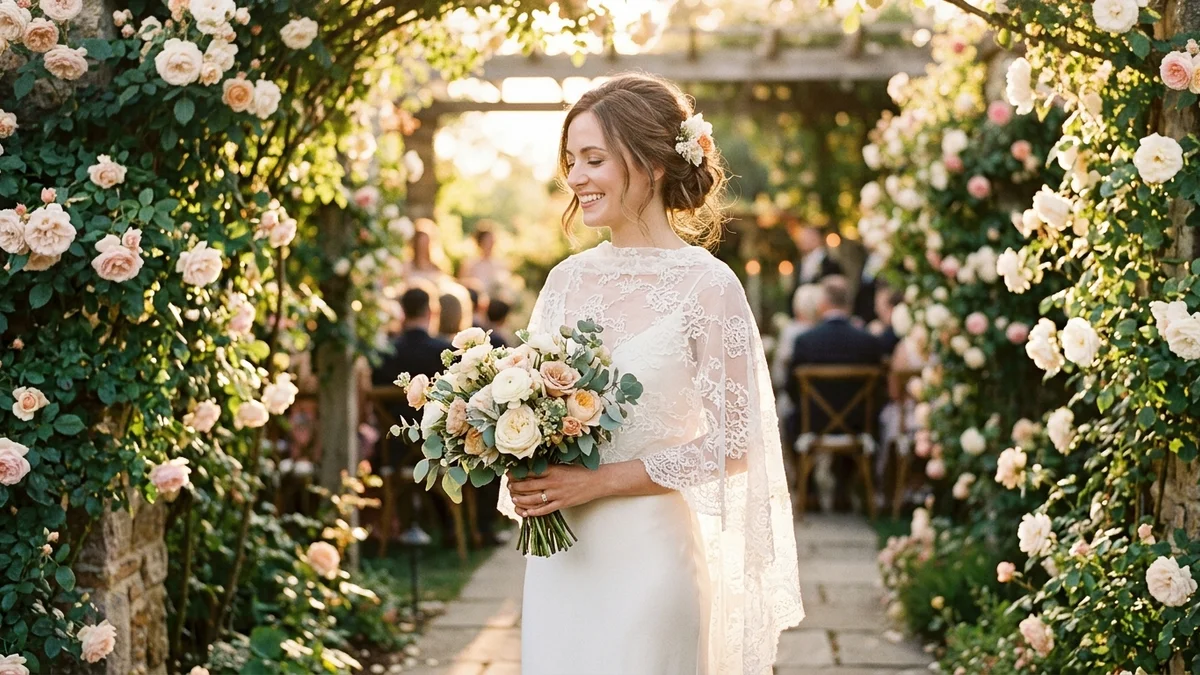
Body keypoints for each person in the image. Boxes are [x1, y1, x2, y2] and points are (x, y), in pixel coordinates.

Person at [500, 73, 803, 675]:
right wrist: (510, 450)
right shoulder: (566, 280)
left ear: (654, 164)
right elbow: (529, 403)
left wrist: (602, 481)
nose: (576, 178)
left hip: (650, 558)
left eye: (594, 159)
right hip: (562, 561)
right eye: (571, 161)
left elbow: (735, 446)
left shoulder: (708, 285)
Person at [786, 275, 887, 513]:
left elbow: (792, 390)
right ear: (848, 305)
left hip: (814, 424)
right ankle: (844, 487)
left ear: (823, 304)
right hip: (858, 425)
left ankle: (808, 491)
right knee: (873, 417)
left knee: (790, 419)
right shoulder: (868, 342)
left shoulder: (805, 342)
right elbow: (880, 391)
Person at [459, 221, 514, 299]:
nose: (490, 245)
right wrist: (472, 283)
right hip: (476, 298)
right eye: (487, 241)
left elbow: (506, 285)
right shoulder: (470, 262)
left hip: (495, 300)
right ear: (480, 243)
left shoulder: (501, 264)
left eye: (492, 241)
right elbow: (461, 282)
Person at [788, 220, 842, 289]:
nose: (800, 242)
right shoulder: (799, 263)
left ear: (816, 237)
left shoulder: (829, 261)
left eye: (805, 238)